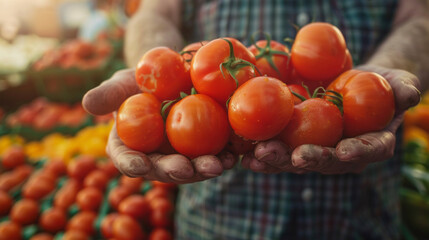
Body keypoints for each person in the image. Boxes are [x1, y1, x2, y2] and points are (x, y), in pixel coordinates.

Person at [82, 0, 429, 239]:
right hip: (219, 220)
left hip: (361, 218)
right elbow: (156, 12)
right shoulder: (237, 77)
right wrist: (158, 65)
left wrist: (391, 70)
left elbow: (420, 15)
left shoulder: (279, 87)